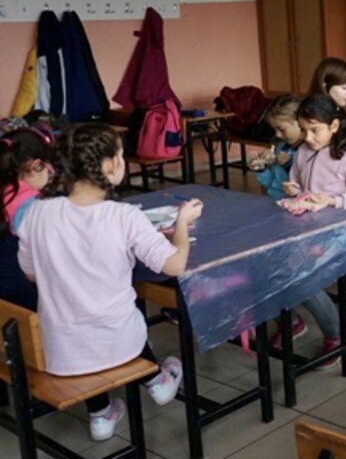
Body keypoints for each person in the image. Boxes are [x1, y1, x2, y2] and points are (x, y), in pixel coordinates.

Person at [16, 123, 200, 441]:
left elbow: (30, 273)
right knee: (119, 315)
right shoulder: (124, 216)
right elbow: (175, 265)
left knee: (79, 320)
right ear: (113, 163)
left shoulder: (36, 213)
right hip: (120, 343)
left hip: (61, 351)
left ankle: (100, 414)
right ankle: (157, 380)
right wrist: (182, 222)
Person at [279, 94, 346, 367]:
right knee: (266, 262)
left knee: (300, 274)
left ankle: (337, 336)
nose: (308, 137)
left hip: (344, 231)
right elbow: (299, 183)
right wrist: (293, 190)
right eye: (304, 130)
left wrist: (333, 201)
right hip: (310, 227)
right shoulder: (304, 151)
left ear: (334, 126)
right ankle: (292, 322)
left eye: (315, 130)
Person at [0, 128, 53, 310]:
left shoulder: (6, 191)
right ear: (35, 165)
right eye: (47, 166)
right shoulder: (31, 207)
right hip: (21, 293)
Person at [249, 95, 303, 201]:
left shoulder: (307, 152)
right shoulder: (281, 147)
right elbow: (271, 184)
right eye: (275, 130)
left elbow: (307, 188)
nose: (277, 134)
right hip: (273, 201)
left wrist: (289, 165)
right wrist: (262, 169)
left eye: (282, 129)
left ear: (300, 123)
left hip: (294, 205)